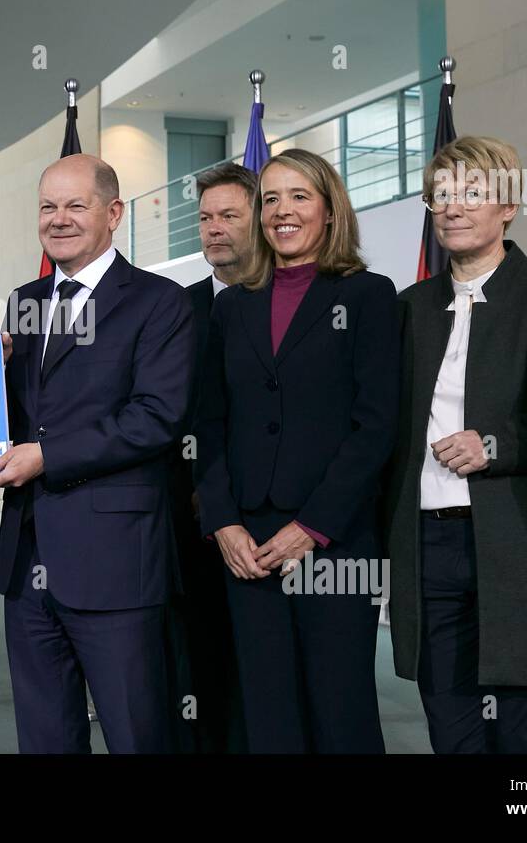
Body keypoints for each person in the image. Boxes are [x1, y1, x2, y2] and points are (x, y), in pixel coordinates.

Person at [383, 136, 527, 754]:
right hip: (429, 546)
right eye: (440, 195)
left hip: (524, 544)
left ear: (509, 206)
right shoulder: (408, 308)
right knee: (453, 732)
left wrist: (497, 445)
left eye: (471, 193)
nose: (452, 207)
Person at [0, 153, 193, 754]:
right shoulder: (24, 299)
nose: (59, 219)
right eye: (48, 206)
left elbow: (155, 418)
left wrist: (44, 456)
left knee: (136, 733)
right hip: (27, 563)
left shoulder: (160, 303)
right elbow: (12, 419)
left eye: (76, 205)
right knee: (45, 736)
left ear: (114, 213)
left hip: (116, 564)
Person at [194, 148, 398, 753]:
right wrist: (223, 521)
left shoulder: (369, 295)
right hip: (247, 543)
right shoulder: (231, 306)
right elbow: (208, 424)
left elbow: (376, 427)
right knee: (267, 712)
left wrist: (312, 528)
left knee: (341, 710)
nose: (283, 211)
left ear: (330, 211)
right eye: (272, 199)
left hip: (334, 540)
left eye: (300, 196)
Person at [164, 161, 254, 753]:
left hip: (265, 523)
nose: (213, 228)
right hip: (179, 525)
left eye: (229, 215)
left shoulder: (291, 304)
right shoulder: (172, 308)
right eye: (204, 218)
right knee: (192, 669)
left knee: (259, 679)